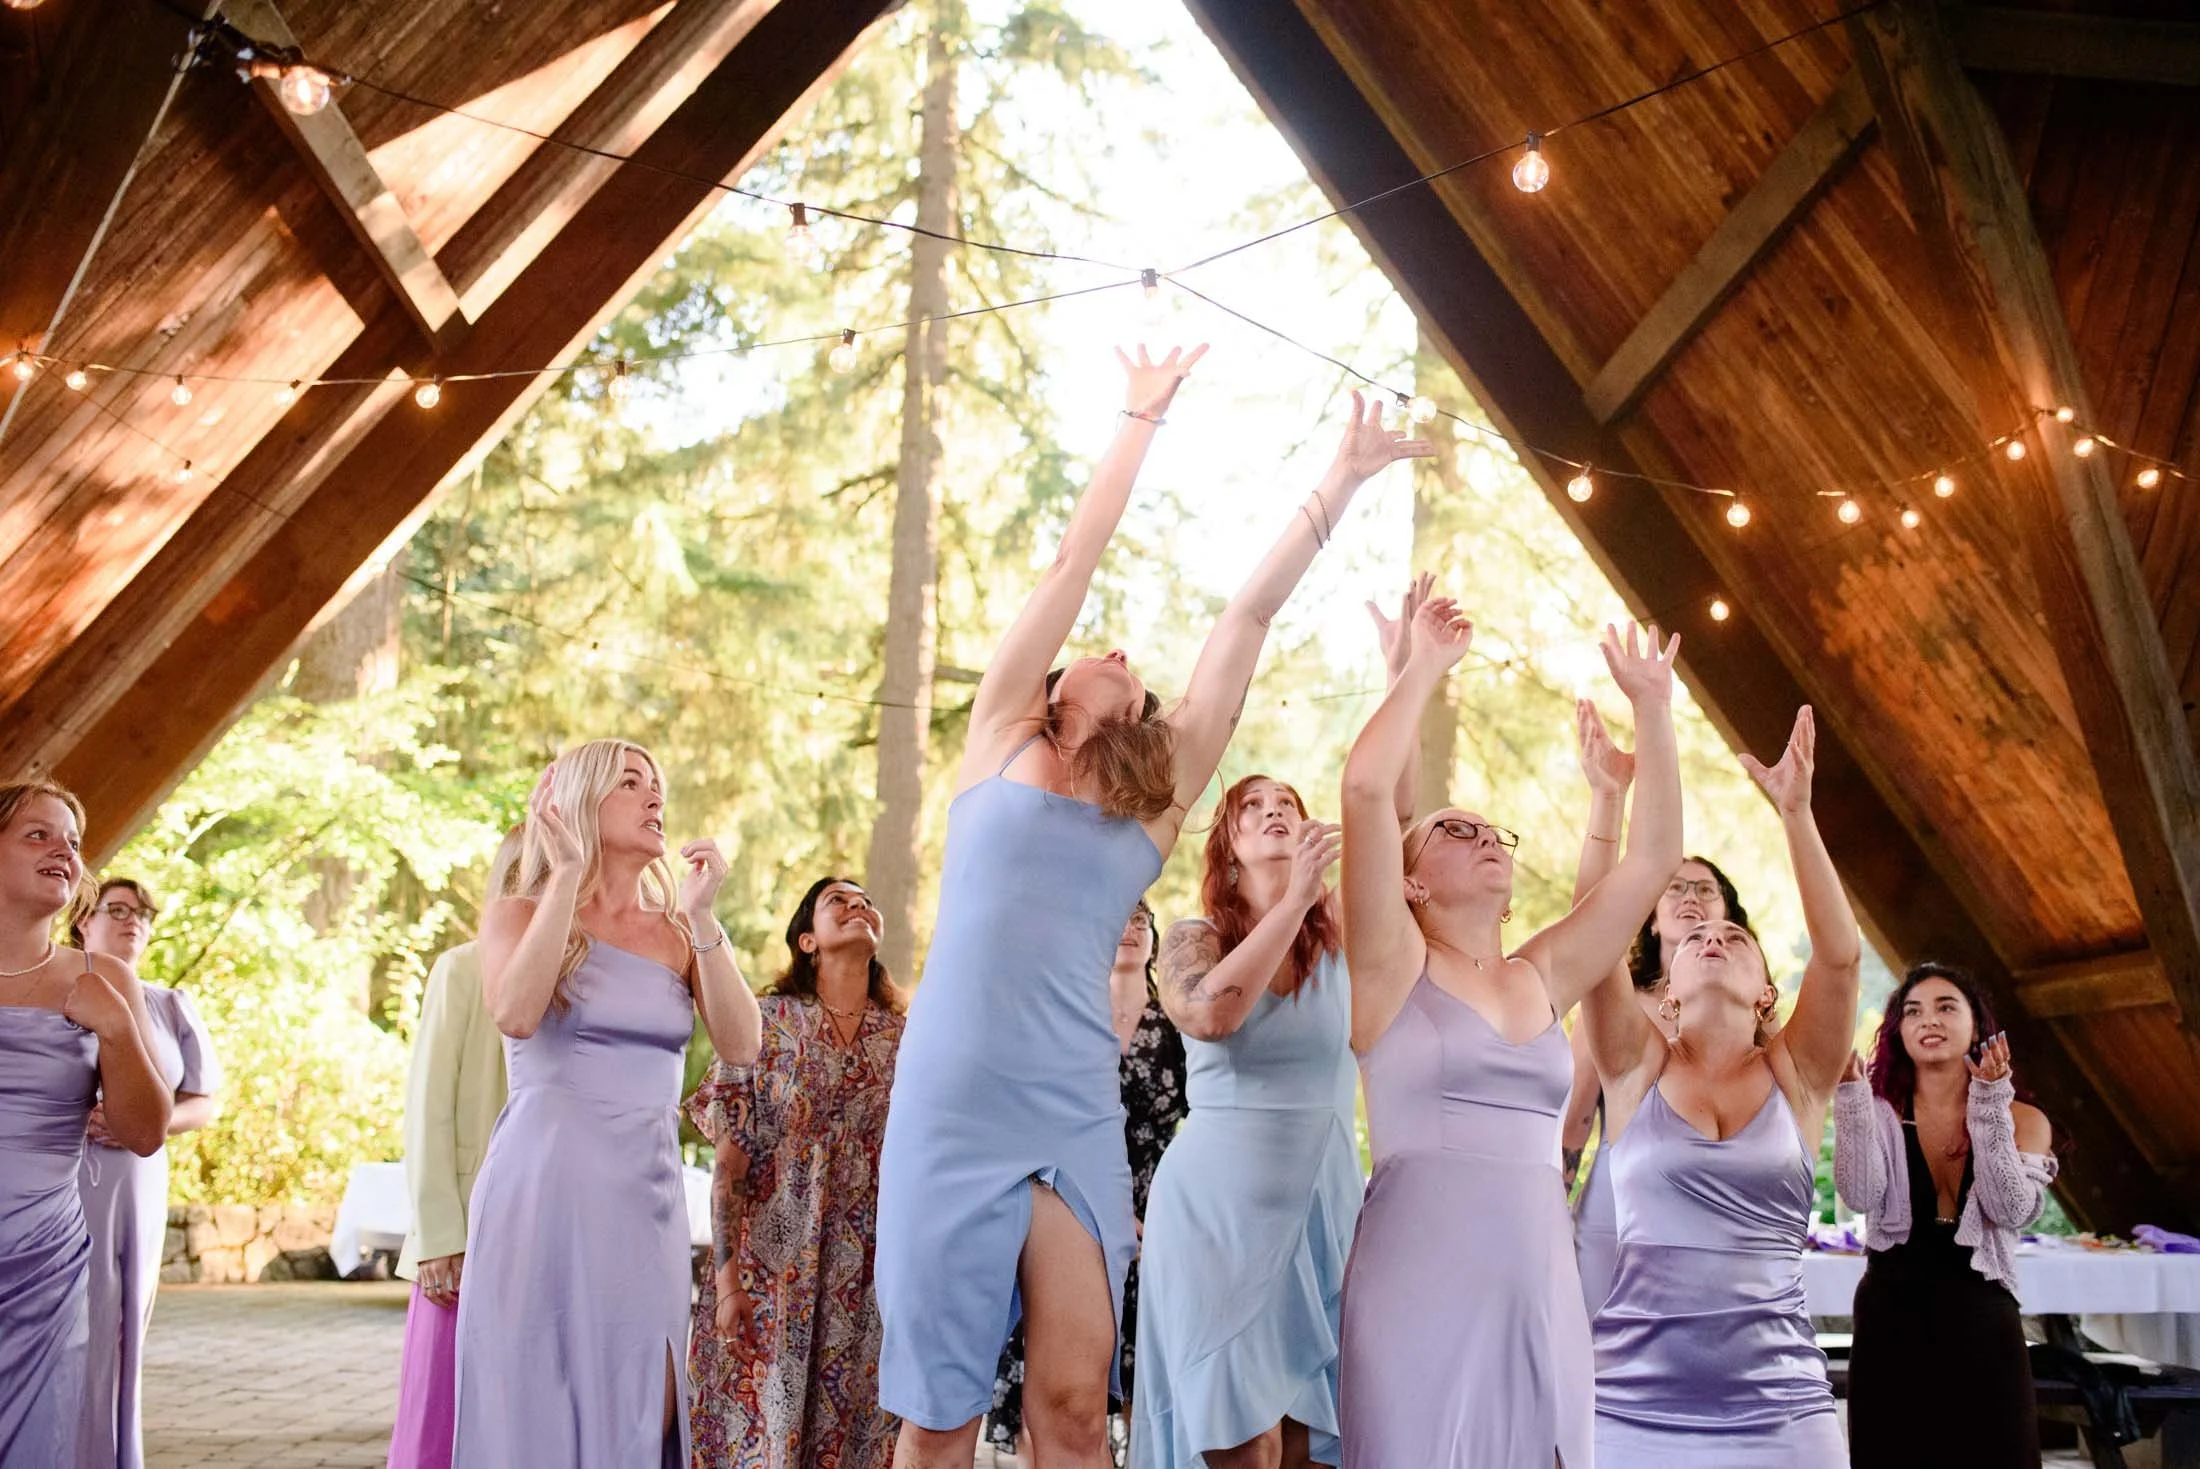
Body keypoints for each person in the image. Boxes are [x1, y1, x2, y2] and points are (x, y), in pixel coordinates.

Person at [876, 349, 1432, 1469]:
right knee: (936, 1415)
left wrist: (1341, 479)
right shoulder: (1000, 739)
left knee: (1078, 1409)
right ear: (1053, 692)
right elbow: (1073, 562)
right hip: (951, 1099)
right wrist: (1137, 415)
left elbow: (1245, 617)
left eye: (1131, 659)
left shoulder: (1156, 804)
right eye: (1102, 653)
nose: (1120, 648)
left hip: (1071, 1106)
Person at [1337, 606, 1683, 1468]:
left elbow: (1652, 862)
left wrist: (1654, 708)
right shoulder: (1388, 964)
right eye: (1456, 828)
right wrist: (1421, 667)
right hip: (1415, 1279)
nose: (1486, 834)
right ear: (1409, 881)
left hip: (1537, 1281)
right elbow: (1364, 791)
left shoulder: (1543, 973)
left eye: (1495, 831)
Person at [1130, 573, 1422, 1469]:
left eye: (1287, 805)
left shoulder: (1345, 944)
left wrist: (1403, 670)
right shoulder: (1193, 937)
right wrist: (1294, 900)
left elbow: (1395, 814)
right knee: (1240, 1445)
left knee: (1303, 1447)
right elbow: (1210, 1014)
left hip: (1324, 1195)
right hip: (1218, 1207)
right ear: (1227, 845)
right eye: (1252, 807)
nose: (1273, 812)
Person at [452, 741, 763, 1468]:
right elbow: (516, 1013)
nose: (655, 796)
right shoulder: (516, 912)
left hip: (644, 1198)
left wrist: (704, 915)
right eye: (631, 783)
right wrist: (563, 878)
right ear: (580, 801)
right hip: (543, 1186)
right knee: (536, 1406)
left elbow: (743, 1043)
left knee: (645, 1410)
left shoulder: (679, 934)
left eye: (658, 784)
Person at [1582, 706, 1860, 1467]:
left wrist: (1796, 814)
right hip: (1629, 1404)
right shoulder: (1634, 1067)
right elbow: (1592, 941)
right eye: (1699, 936)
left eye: (1734, 936)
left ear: (1767, 992)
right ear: (1665, 990)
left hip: (1783, 1407)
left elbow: (1839, 959)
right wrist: (1607, 802)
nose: (1713, 934)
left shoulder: (1796, 1076)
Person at [687, 875, 908, 1469]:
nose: (859, 904)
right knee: (764, 1439)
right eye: (839, 900)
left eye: (867, 900)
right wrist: (728, 1281)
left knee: (860, 1442)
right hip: (771, 1276)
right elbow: (728, 1168)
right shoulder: (763, 1024)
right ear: (807, 940)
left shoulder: (906, 1040)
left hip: (869, 1282)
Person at [1559, 700, 1752, 1318]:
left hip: (1721, 1207)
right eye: (1675, 886)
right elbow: (1575, 1118)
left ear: (1728, 912)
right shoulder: (1617, 998)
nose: (1691, 898)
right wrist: (1550, 1211)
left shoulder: (1755, 1013)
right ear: (1649, 909)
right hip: (1618, 1207)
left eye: (1705, 889)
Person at [0, 781, 171, 1465]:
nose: (63, 851)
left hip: (45, 1261)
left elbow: (145, 1132)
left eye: (72, 840)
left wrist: (118, 1030)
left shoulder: (105, 977)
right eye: (37, 834)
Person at [1836, 963, 2053, 1469]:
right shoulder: (1877, 1108)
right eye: (1912, 1012)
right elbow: (1860, 1193)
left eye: (1945, 1007)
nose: (1927, 1020)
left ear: (1976, 1025)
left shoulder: (2023, 1118)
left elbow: (2009, 1209)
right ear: (1899, 1032)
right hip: (1891, 1320)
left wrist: (1990, 1106)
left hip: (1984, 1322)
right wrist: (1850, 1104)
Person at [990, 900, 1185, 1462]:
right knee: (1056, 1379)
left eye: (1142, 921)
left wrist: (1170, 1211)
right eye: (1120, 916)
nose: (1130, 927)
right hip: (1070, 1197)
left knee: (1146, 1370)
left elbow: (1207, 1111)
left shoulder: (1177, 1018)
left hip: (1162, 1204)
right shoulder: (1067, 1011)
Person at [386, 827, 523, 1469]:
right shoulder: (461, 968)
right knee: (443, 1424)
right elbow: (428, 1108)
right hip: (465, 1232)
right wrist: (441, 1234)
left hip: (542, 1228)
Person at [73, 877, 222, 1469]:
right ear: (84, 921)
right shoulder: (58, 989)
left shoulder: (171, 1005)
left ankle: (116, 1452)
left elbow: (202, 1101)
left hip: (137, 1178)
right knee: (73, 1323)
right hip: (71, 1177)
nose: (132, 920)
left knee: (123, 1327)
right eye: (117, 909)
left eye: (142, 912)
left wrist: (150, 1123)